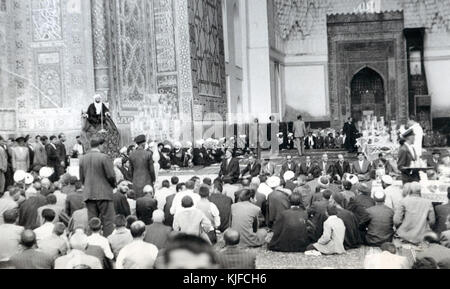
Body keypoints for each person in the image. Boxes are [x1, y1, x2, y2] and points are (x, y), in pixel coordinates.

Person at [79, 137, 116, 237]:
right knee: (108, 221)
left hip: (89, 194)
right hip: (104, 193)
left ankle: (93, 243)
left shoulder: (83, 158)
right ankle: (108, 242)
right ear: (100, 145)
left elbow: (82, 178)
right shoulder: (104, 157)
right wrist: (113, 185)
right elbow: (111, 176)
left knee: (92, 221)